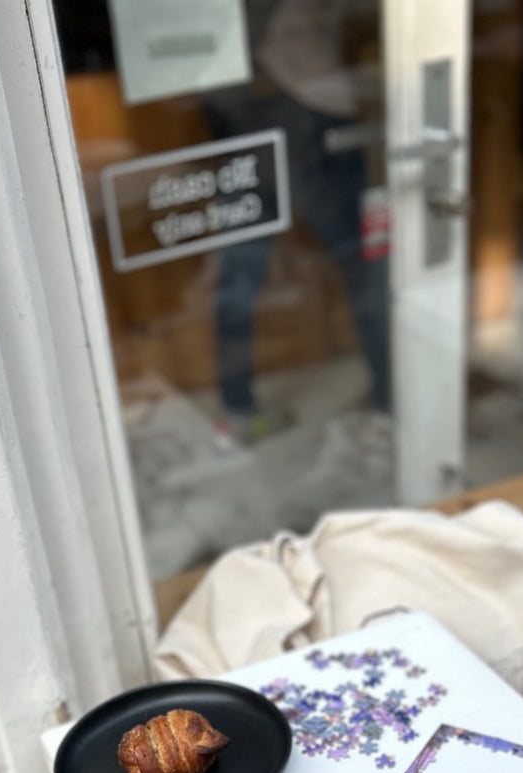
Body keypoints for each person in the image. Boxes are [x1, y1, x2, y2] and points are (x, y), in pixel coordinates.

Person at [205, 0, 390, 444]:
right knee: (361, 265)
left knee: (240, 273)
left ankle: (237, 409)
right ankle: (391, 404)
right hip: (305, 105)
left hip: (239, 107)